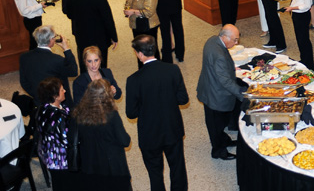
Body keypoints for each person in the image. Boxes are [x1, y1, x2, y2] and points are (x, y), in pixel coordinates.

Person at [126, 35, 189, 191]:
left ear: (139, 54)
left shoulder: (133, 80)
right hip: (172, 129)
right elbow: (183, 100)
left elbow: (131, 113)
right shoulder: (173, 70)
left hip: (149, 134)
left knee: (155, 173)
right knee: (177, 168)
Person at [196, 25, 247, 160]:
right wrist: (243, 95)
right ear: (224, 37)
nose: (236, 43)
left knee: (217, 123)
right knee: (216, 125)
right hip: (215, 96)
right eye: (235, 40)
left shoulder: (212, 40)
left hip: (208, 88)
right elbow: (226, 82)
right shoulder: (219, 56)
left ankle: (224, 141)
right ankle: (218, 151)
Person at [72, 79, 132, 190]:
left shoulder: (78, 113)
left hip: (90, 165)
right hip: (112, 166)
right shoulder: (111, 115)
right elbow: (125, 141)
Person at [64, 0, 118, 74]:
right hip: (99, 37)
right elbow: (108, 19)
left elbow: (69, 14)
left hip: (81, 35)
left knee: (84, 60)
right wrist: (114, 37)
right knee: (100, 63)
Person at [19, 25, 78, 106]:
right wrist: (66, 49)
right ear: (51, 40)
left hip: (38, 102)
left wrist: (38, 96)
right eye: (54, 37)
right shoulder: (58, 60)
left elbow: (24, 82)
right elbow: (74, 71)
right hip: (59, 103)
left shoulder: (24, 57)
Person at [35, 77, 73, 191]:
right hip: (61, 160)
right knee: (66, 185)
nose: (65, 90)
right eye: (62, 90)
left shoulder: (42, 108)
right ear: (55, 96)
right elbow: (67, 140)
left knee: (57, 183)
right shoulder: (59, 118)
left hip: (49, 155)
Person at [124, 0, 160, 68]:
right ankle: (142, 69)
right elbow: (128, 1)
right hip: (136, 24)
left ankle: (155, 69)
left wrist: (133, 11)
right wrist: (127, 10)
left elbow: (149, 12)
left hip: (148, 25)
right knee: (138, 48)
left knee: (150, 50)